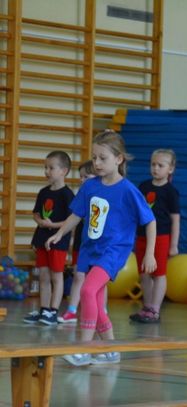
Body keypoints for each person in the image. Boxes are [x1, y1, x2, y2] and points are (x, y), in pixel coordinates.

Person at [46, 130, 157, 366]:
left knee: (87, 291)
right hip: (90, 249)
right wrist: (59, 233)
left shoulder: (128, 190)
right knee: (94, 299)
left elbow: (150, 220)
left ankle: (85, 349)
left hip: (113, 251)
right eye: (94, 158)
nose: (96, 163)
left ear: (119, 159)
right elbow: (77, 215)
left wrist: (149, 253)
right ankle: (111, 349)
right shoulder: (90, 187)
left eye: (102, 158)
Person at [23, 151, 74, 326]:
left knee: (56, 276)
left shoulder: (67, 195)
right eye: (45, 167)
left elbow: (71, 221)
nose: (47, 171)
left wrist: (52, 225)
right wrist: (41, 222)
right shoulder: (43, 192)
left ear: (64, 171)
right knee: (43, 276)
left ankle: (53, 311)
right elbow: (36, 214)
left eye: (51, 168)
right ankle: (44, 309)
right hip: (42, 239)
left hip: (58, 242)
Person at [130, 149, 180, 323]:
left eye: (161, 165)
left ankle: (155, 309)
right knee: (144, 274)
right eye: (153, 164)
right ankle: (147, 306)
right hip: (142, 236)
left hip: (161, 238)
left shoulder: (171, 192)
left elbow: (175, 219)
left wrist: (173, 244)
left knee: (158, 273)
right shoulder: (143, 187)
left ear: (170, 169)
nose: (156, 168)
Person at [58, 160, 102, 324]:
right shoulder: (83, 195)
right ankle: (72, 310)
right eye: (80, 176)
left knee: (99, 282)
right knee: (78, 275)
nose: (81, 180)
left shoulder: (102, 194)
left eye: (86, 176)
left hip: (98, 245)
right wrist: (69, 240)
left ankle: (101, 310)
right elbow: (75, 219)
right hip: (81, 243)